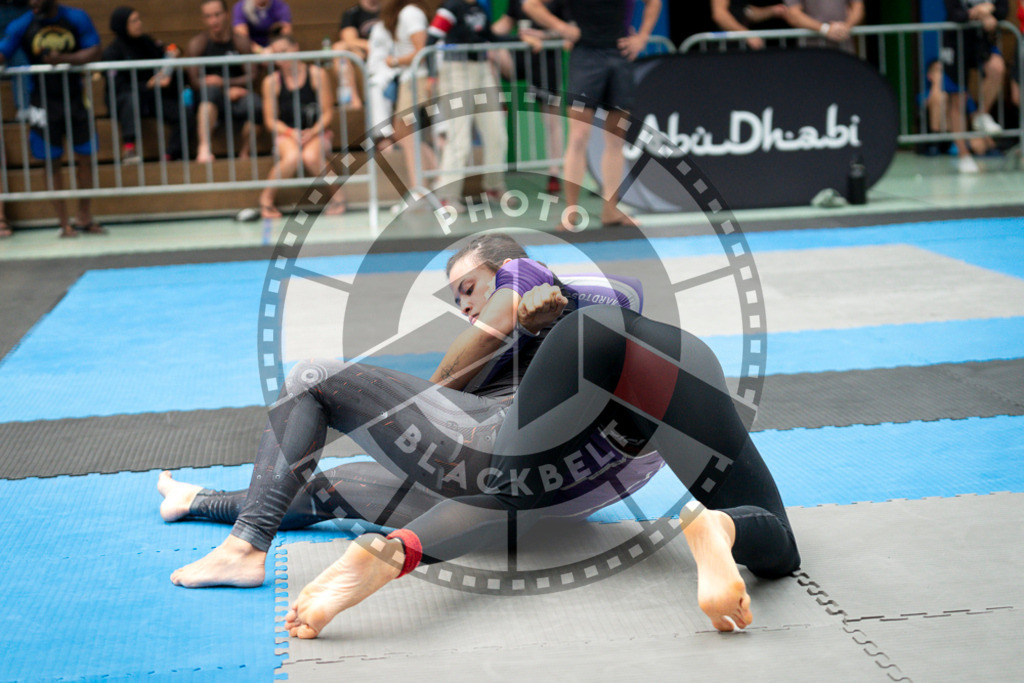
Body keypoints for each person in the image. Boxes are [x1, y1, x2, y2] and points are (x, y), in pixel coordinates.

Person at [163, 231, 800, 637]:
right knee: (337, 486)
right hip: (663, 399)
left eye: (467, 287)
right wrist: (200, 501)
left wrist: (526, 304)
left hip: (566, 408)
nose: (463, 304)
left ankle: (265, 549)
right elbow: (452, 396)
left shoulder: (557, 293)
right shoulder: (513, 347)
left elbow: (560, 300)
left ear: (506, 269)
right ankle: (719, 527)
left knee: (314, 377)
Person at [524, 0, 662, 231]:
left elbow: (653, 3)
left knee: (617, 137)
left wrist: (643, 36)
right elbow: (531, 5)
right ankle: (571, 213)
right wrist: (563, 28)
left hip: (618, 54)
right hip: (585, 56)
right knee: (578, 136)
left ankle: (611, 210)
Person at [0, 0, 104, 238]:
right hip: (43, 102)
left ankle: (84, 215)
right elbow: (3, 52)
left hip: (76, 100)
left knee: (85, 157)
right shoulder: (22, 24)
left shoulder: (76, 18)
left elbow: (94, 49)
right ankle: (63, 222)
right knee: (50, 162)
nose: (32, 2)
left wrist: (66, 59)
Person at [426, 0, 512, 209]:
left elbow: (490, 36)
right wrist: (431, 76)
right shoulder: (450, 8)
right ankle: (447, 196)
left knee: (497, 134)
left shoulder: (479, 8)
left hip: (482, 69)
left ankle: (494, 185)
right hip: (455, 71)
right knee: (459, 137)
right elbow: (431, 39)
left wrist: (522, 38)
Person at [258, 34, 345, 218]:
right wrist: (291, 132)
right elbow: (270, 120)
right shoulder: (271, 81)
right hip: (287, 133)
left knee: (311, 156)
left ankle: (338, 196)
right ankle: (266, 201)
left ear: (295, 48)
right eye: (276, 54)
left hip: (317, 131)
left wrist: (312, 132)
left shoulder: (316, 74)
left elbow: (328, 112)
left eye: (284, 51)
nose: (281, 57)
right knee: (292, 157)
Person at [492, 0, 569, 193]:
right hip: (521, 56)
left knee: (552, 120)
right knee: (491, 52)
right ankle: (498, 100)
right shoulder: (517, 3)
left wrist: (542, 35)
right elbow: (504, 25)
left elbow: (570, 32)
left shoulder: (560, 4)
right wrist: (480, 34)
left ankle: (554, 172)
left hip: (546, 62)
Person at [102, 6, 188, 163]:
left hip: (150, 97)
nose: (139, 24)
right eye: (134, 21)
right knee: (131, 98)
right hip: (125, 99)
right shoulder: (112, 52)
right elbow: (117, 86)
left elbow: (170, 48)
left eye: (139, 19)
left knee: (183, 112)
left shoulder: (146, 42)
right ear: (123, 25)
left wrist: (171, 55)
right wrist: (147, 85)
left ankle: (171, 154)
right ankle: (129, 149)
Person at [366, 0, 436, 190]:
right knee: (409, 136)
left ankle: (422, 188)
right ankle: (426, 186)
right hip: (409, 78)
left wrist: (395, 61)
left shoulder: (410, 13)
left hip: (417, 79)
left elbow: (422, 51)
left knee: (404, 133)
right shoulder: (405, 13)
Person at [187, 0, 260, 164]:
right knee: (210, 92)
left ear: (227, 15)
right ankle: (204, 147)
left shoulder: (240, 42)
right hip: (211, 99)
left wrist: (225, 83)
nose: (213, 21)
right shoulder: (197, 44)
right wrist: (222, 88)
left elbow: (253, 75)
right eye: (208, 16)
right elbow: (194, 81)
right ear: (203, 19)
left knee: (256, 104)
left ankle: (245, 153)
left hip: (238, 96)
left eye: (217, 15)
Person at [941, 0, 1007, 138]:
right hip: (955, 41)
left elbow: (1003, 11)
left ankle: (981, 115)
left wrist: (990, 8)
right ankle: (963, 155)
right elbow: (954, 14)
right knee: (958, 99)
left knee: (996, 67)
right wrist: (981, 13)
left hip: (981, 39)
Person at [919, 58, 995, 169]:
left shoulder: (960, 96)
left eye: (943, 71)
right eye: (937, 71)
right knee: (942, 97)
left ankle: (963, 148)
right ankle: (935, 144)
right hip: (938, 139)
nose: (941, 74)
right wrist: (937, 85)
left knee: (979, 144)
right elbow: (931, 102)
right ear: (929, 75)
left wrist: (987, 141)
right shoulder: (927, 95)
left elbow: (974, 118)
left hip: (960, 139)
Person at [333, 0, 379, 110]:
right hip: (364, 53)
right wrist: (370, 46)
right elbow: (349, 39)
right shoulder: (352, 13)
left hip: (387, 51)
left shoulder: (388, 11)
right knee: (339, 48)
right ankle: (353, 98)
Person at [782, 0, 863, 52]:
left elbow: (858, 7)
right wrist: (825, 29)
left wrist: (846, 27)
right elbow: (793, 14)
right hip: (811, 50)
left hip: (844, 47)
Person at [710, 1, 788, 50]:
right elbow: (719, 14)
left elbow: (748, 12)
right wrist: (746, 34)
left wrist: (773, 10)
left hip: (740, 48)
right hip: (722, 49)